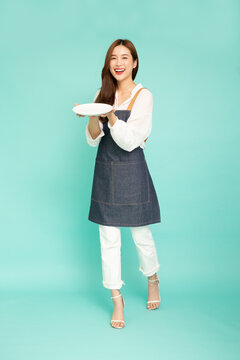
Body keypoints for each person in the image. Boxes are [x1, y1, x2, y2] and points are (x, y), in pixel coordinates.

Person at [75, 39, 161, 329]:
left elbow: (130, 141)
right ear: (108, 63)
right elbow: (92, 139)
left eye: (125, 57)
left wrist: (110, 114)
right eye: (114, 57)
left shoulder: (143, 95)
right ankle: (116, 298)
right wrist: (91, 117)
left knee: (141, 235)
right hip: (105, 173)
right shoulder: (102, 93)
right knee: (108, 240)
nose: (119, 62)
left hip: (132, 171)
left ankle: (152, 278)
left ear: (134, 63)